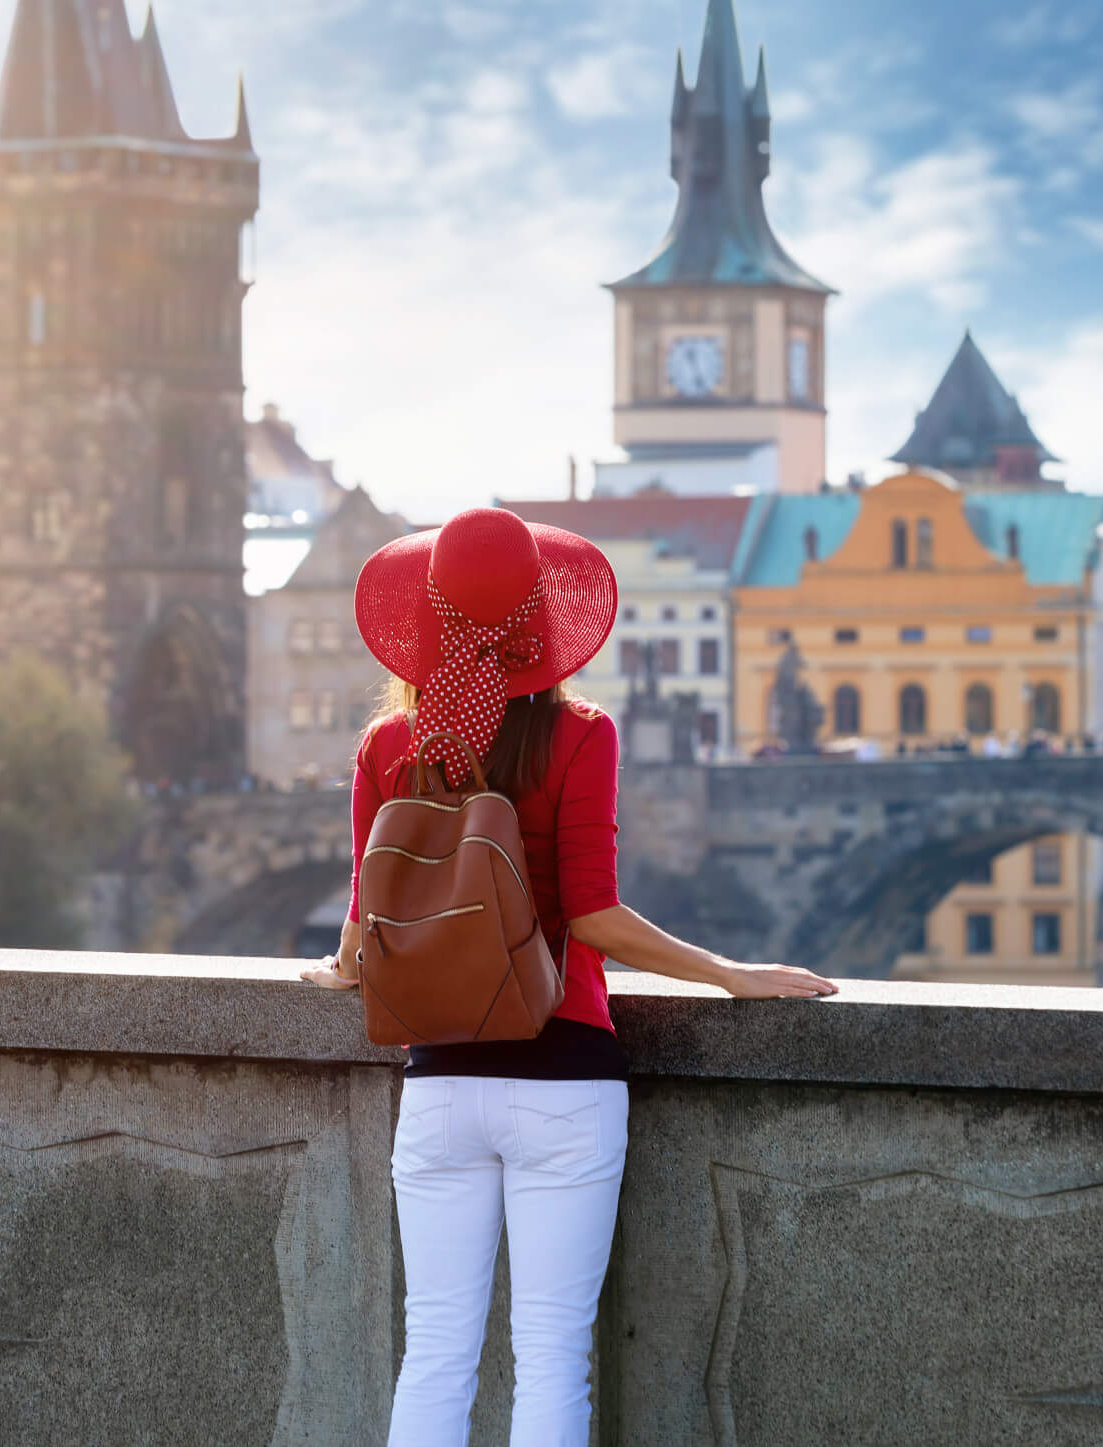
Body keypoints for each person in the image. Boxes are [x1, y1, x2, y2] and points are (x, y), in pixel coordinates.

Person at [300, 507, 836, 1447]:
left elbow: (365, 924)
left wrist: (340, 970)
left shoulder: (391, 749)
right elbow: (593, 914)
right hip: (565, 1076)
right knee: (551, 1355)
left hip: (440, 1079)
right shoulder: (581, 734)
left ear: (426, 620)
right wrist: (729, 975)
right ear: (542, 627)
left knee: (435, 1350)